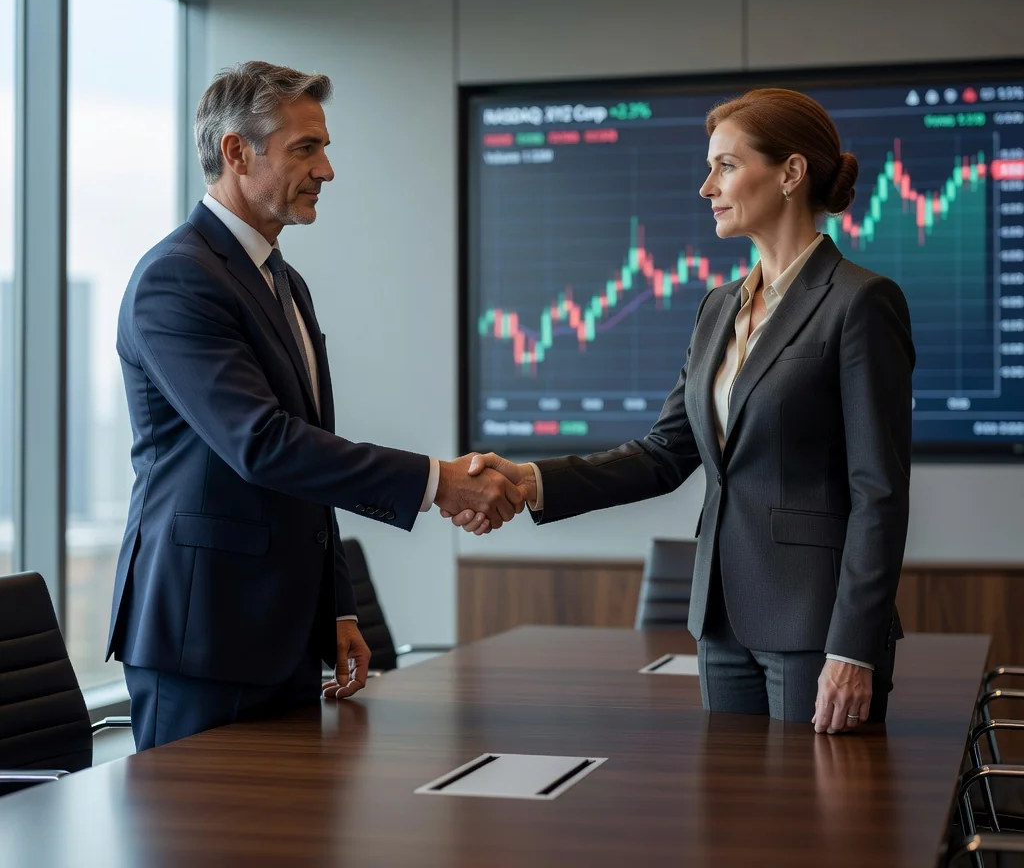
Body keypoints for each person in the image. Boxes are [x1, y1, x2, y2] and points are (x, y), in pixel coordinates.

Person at [452, 88, 915, 733]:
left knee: (817, 800)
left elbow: (879, 493)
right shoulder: (718, 308)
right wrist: (530, 480)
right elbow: (664, 453)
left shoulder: (860, 302)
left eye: (727, 166)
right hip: (719, 618)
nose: (707, 187)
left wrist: (853, 648)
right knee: (728, 798)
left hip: (818, 627)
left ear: (790, 172)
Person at [107, 61, 524, 750]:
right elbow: (263, 444)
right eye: (306, 149)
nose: (326, 170)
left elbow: (302, 455)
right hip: (203, 633)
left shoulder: (284, 281)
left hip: (284, 633)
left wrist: (336, 605)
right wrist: (438, 482)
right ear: (237, 152)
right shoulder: (176, 279)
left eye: (324, 148)